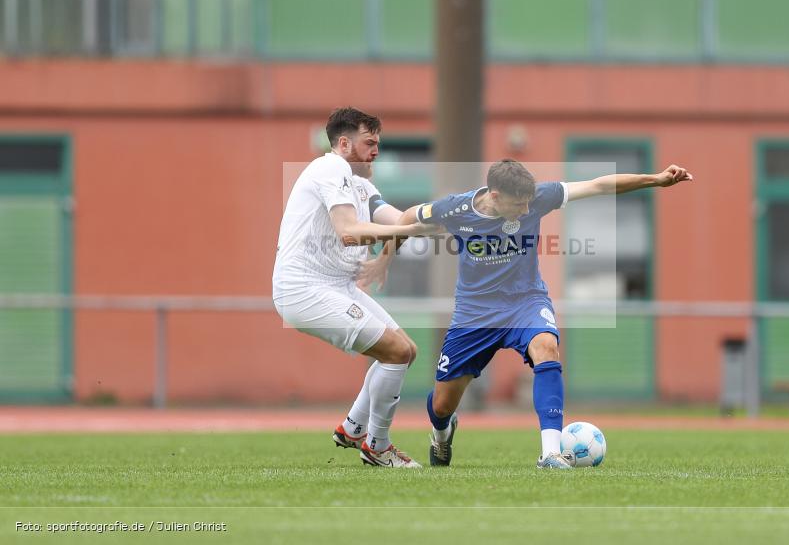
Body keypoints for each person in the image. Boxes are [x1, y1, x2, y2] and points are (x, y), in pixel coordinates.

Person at [388, 159, 692, 468]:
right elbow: (409, 216)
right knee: (442, 405)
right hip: (475, 314)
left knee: (546, 346)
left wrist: (655, 179)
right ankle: (442, 433)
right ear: (495, 196)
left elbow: (598, 185)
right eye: (518, 204)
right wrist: (384, 258)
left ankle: (550, 453)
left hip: (526, 302)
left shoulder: (539, 198)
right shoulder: (455, 209)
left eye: (527, 203)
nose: (525, 210)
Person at [272, 107, 427, 468]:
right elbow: (349, 231)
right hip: (304, 287)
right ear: (344, 144)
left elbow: (400, 220)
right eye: (369, 143)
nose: (376, 151)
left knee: (407, 350)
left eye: (378, 143)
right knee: (395, 352)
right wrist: (409, 231)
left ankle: (353, 428)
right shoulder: (330, 168)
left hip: (337, 285)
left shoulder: (360, 185)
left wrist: (449, 213)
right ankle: (378, 447)